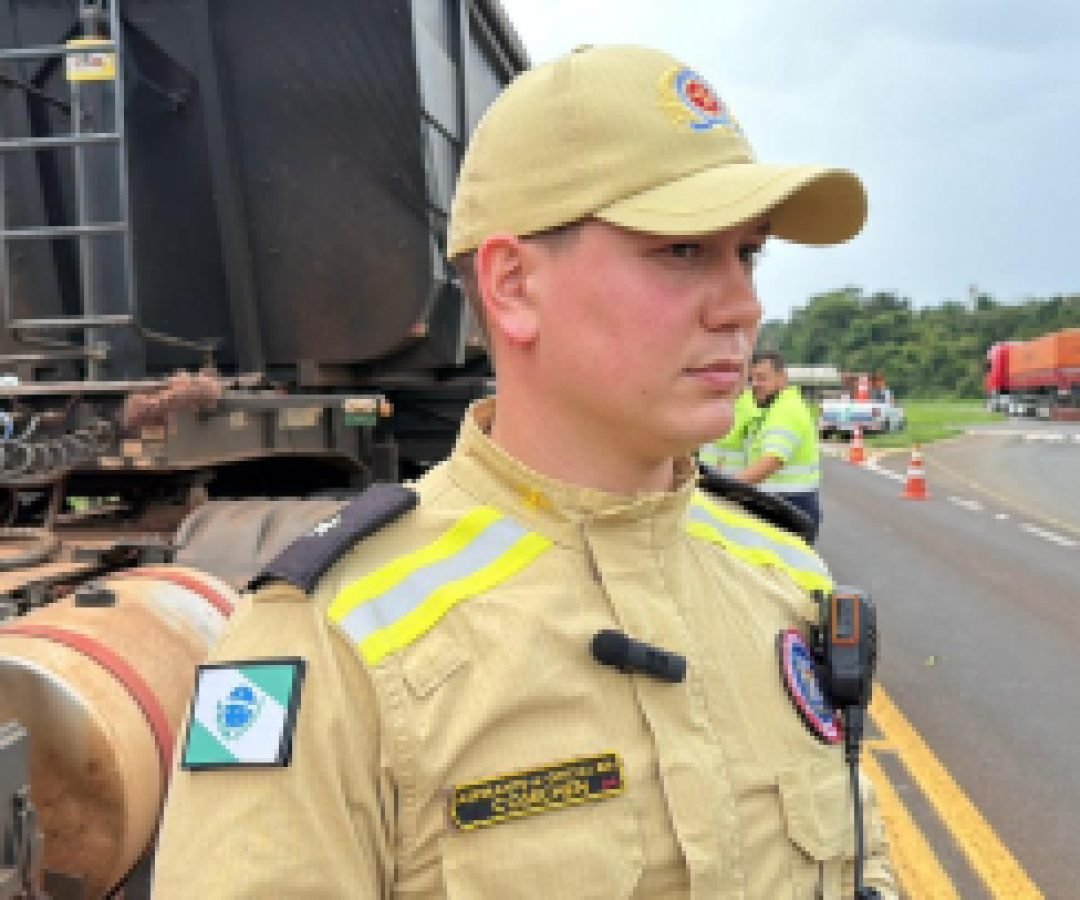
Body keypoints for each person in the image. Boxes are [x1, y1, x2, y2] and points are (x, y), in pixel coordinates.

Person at [152, 44, 896, 897]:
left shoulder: (785, 579)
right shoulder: (332, 642)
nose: (743, 306)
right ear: (512, 286)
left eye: (747, 255)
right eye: (684, 251)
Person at [736, 351, 825, 541]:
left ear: (782, 378)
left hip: (788, 508)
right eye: (751, 379)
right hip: (784, 505)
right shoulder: (776, 408)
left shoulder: (785, 411)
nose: (755, 385)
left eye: (762, 378)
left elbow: (772, 460)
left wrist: (726, 490)